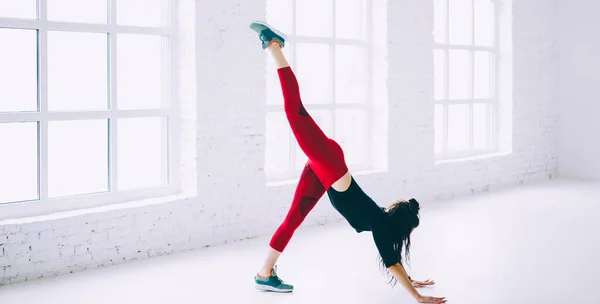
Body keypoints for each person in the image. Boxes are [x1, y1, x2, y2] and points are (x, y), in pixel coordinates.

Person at [249, 21, 446, 304]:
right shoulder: (381, 228)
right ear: (401, 228)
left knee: (294, 218)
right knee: (294, 111)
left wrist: (412, 279)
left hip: (326, 173)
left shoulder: (383, 220)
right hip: (330, 165)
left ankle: (264, 274)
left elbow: (396, 262)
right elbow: (392, 264)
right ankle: (274, 45)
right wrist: (416, 296)